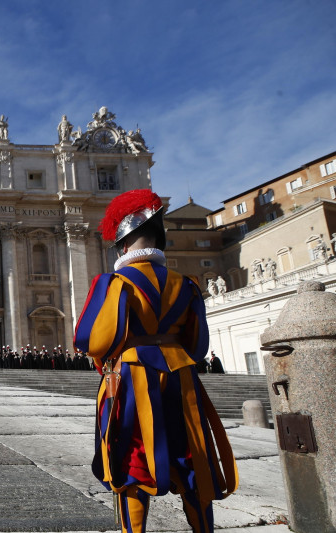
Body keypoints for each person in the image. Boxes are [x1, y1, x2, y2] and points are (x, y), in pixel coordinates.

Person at [74, 189, 237, 533]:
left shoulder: (113, 283)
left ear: (123, 245)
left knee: (130, 458)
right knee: (192, 455)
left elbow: (90, 339)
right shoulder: (187, 285)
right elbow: (198, 345)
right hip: (181, 377)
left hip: (132, 378)